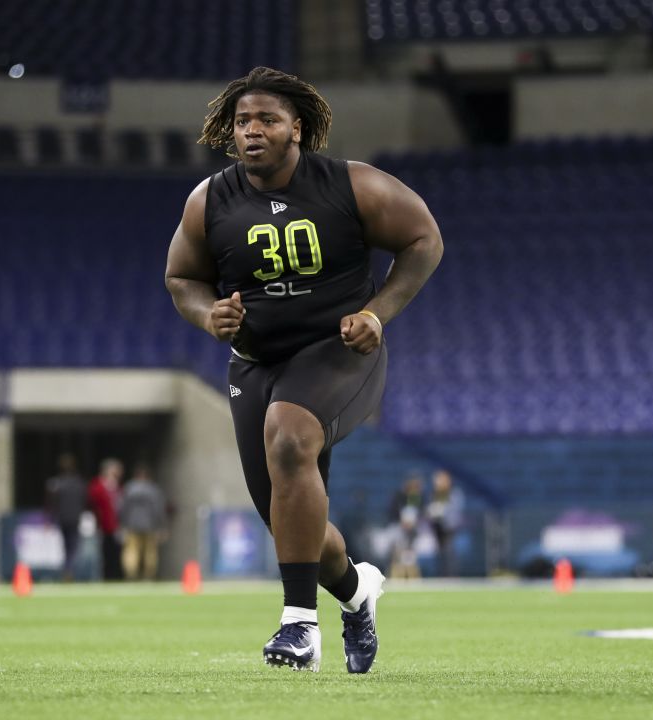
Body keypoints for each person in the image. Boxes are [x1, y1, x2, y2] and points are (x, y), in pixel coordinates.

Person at [164, 67, 443, 673]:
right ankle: (357, 592)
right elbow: (182, 278)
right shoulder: (209, 199)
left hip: (339, 351)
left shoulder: (353, 185)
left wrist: (377, 312)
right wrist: (208, 313)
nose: (252, 131)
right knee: (293, 527)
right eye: (242, 121)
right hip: (256, 362)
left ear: (298, 127)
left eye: (267, 119)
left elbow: (423, 237)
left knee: (289, 438)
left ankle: (298, 628)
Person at [118, 464, 168, 581]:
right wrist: (162, 526)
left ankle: (131, 574)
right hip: (150, 525)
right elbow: (158, 509)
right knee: (150, 552)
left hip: (131, 525)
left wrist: (122, 524)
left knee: (131, 550)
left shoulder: (128, 489)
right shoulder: (153, 490)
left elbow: (122, 508)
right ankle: (148, 575)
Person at [44, 453, 88, 581]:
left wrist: (49, 519)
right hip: (74, 518)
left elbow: (51, 504)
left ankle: (67, 569)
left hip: (63, 518)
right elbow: (85, 501)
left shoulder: (56, 484)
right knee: (72, 546)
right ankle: (68, 569)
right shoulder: (78, 483)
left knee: (66, 546)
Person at [87, 458, 124, 581]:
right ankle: (104, 577)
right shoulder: (97, 485)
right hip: (102, 525)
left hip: (116, 525)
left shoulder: (117, 487)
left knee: (116, 552)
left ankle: (115, 576)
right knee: (102, 553)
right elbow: (93, 502)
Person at [425, 469, 464, 577]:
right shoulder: (434, 494)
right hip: (437, 527)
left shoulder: (454, 493)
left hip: (450, 527)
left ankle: (452, 575)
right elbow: (430, 509)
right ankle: (441, 575)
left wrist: (442, 512)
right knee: (439, 553)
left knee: (450, 552)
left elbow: (455, 510)